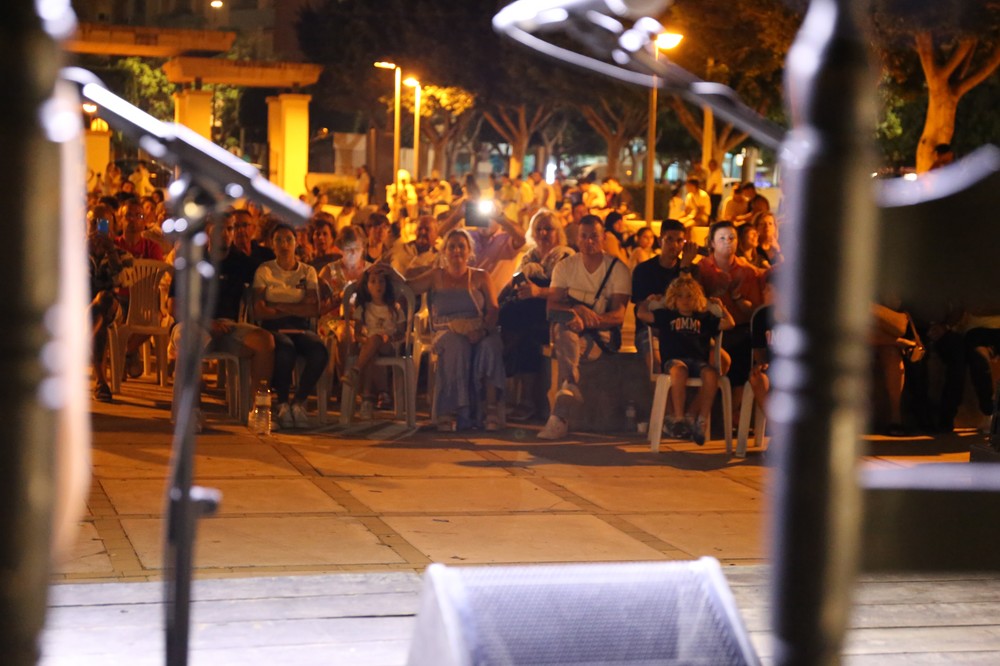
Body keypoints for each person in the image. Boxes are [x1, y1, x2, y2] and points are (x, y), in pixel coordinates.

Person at [539, 216, 631, 439]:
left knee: (564, 336)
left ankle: (561, 409)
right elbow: (551, 308)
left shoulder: (617, 269)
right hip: (569, 330)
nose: (589, 242)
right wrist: (577, 311)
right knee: (565, 330)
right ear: (576, 238)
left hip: (600, 337)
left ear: (603, 238)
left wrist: (591, 320)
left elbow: (618, 316)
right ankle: (569, 389)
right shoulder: (565, 267)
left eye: (594, 237)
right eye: (584, 236)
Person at [407, 228, 505, 431]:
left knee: (491, 346)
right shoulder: (436, 276)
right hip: (446, 331)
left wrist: (482, 332)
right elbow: (409, 287)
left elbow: (494, 308)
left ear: (470, 250)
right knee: (456, 346)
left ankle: (490, 410)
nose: (457, 250)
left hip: (478, 328)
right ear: (444, 251)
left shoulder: (480, 276)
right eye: (452, 246)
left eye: (461, 246)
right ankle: (452, 410)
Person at [637, 275, 734, 444]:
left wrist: (721, 308)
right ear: (673, 298)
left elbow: (730, 323)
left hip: (698, 360)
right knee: (679, 371)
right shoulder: (667, 315)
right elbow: (642, 314)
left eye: (689, 296)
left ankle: (701, 421)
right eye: (680, 296)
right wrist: (648, 301)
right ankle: (679, 419)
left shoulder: (703, 318)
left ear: (696, 298)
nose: (685, 300)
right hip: (674, 360)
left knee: (711, 374)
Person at [498, 209, 575, 420]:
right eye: (538, 229)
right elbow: (513, 283)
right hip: (526, 314)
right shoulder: (528, 257)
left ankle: (526, 402)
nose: (543, 233)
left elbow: (568, 292)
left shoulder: (566, 257)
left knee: (524, 334)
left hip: (550, 313)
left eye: (548, 229)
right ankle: (520, 400)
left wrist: (538, 291)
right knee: (517, 329)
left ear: (557, 232)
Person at [252, 223, 329, 429]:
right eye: (278, 240)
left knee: (319, 350)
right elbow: (258, 310)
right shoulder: (265, 270)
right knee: (285, 348)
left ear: (296, 243)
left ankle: (299, 401)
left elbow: (313, 308)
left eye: (289, 239)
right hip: (273, 327)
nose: (284, 244)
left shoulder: (307, 271)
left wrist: (277, 305)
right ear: (272, 244)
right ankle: (283, 403)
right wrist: (296, 306)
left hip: (300, 326)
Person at [696, 221, 766, 414]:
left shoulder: (747, 270)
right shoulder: (701, 269)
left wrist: (737, 298)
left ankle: (733, 414)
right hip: (710, 328)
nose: (728, 242)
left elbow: (755, 312)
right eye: (722, 238)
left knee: (745, 350)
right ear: (712, 243)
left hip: (739, 329)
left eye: (732, 238)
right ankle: (707, 415)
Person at [631, 219, 701, 371]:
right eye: (669, 239)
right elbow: (641, 309)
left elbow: (691, 302)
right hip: (652, 329)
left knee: (717, 361)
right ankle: (659, 394)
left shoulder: (692, 271)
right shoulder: (644, 270)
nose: (674, 245)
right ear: (659, 240)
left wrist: (685, 268)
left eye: (679, 241)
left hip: (684, 329)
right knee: (655, 364)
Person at [342, 266, 406, 420]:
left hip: (389, 345)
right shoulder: (363, 309)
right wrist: (367, 341)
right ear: (367, 285)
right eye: (373, 281)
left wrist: (389, 337)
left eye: (381, 281)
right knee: (371, 351)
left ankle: (355, 371)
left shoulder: (394, 308)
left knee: (376, 341)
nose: (378, 285)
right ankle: (366, 400)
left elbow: (402, 331)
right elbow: (357, 334)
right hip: (369, 345)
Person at [88, 206, 130, 401]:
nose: (97, 229)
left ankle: (99, 379)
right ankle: (101, 382)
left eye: (103, 224)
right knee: (97, 317)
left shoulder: (122, 255)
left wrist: (111, 252)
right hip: (82, 309)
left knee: (103, 299)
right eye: (93, 223)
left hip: (114, 307)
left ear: (112, 228)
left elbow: (123, 282)